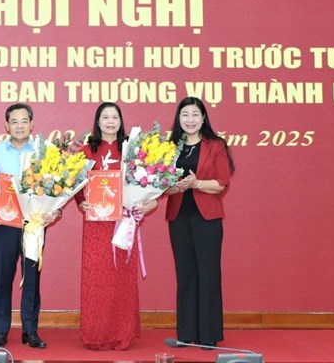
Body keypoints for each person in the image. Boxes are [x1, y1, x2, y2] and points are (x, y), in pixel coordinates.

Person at [75, 102, 155, 350]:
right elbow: (77, 187)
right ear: (97, 122)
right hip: (96, 225)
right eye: (105, 117)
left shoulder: (132, 150)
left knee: (121, 277)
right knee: (97, 279)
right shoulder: (86, 150)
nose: (110, 121)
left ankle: (121, 334)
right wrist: (82, 203)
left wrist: (146, 204)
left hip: (124, 222)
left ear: (121, 121)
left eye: (115, 117)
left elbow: (147, 182)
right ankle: (95, 334)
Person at [163, 97, 235, 349]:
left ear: (203, 118)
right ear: (178, 118)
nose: (190, 120)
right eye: (185, 115)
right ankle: (186, 333)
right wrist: (175, 187)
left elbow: (222, 183)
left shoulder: (216, 145)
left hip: (208, 219)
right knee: (186, 275)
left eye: (195, 114)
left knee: (208, 274)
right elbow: (161, 187)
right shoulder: (169, 147)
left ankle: (208, 335)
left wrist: (196, 184)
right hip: (178, 216)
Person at [0, 103, 59, 349]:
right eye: (14, 121)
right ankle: (0, 331)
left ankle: (31, 331)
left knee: (31, 279)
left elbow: (57, 186)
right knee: (3, 278)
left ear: (31, 124)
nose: (19, 125)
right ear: (6, 125)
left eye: (24, 121)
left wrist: (55, 210)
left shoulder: (45, 150)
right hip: (5, 223)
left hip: (35, 223)